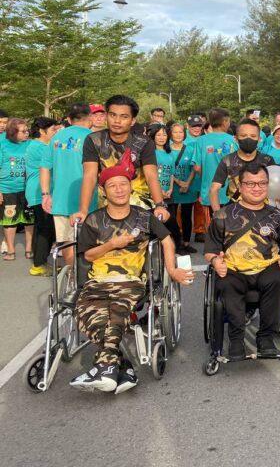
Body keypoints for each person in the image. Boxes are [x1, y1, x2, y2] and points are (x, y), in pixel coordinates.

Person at [69, 150, 193, 393]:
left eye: (123, 184)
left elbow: (167, 241)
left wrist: (172, 270)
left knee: (117, 311)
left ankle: (106, 368)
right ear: (103, 191)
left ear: (131, 187)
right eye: (112, 186)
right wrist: (112, 244)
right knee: (88, 315)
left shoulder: (144, 217)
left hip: (131, 281)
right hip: (98, 281)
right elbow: (88, 256)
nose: (119, 190)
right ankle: (121, 368)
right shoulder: (94, 220)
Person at [204, 162, 280, 360]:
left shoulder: (279, 217)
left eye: (262, 183)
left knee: (278, 279)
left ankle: (266, 338)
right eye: (250, 184)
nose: (257, 188)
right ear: (240, 186)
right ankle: (236, 340)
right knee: (227, 283)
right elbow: (210, 250)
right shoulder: (222, 216)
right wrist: (215, 261)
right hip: (234, 268)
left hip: (267, 266)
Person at [75, 95, 170, 226]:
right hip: (107, 207)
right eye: (113, 115)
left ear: (132, 120)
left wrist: (160, 205)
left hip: (141, 207)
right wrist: (83, 210)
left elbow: (151, 175)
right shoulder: (93, 140)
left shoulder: (144, 142)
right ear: (107, 116)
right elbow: (89, 176)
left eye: (124, 117)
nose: (117, 121)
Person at [41, 103, 94, 266]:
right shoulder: (94, 137)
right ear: (90, 117)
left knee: (66, 241)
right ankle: (85, 275)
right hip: (89, 200)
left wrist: (45, 194)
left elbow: (45, 167)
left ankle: (71, 273)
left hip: (61, 199)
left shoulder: (56, 138)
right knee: (89, 242)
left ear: (69, 120)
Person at [209, 118, 275, 212]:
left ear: (259, 139)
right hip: (235, 213)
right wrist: (218, 215)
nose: (248, 139)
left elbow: (278, 188)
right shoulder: (227, 161)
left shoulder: (267, 160)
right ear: (236, 138)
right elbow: (213, 190)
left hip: (262, 213)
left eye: (253, 136)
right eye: (243, 135)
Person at [25, 117, 58, 275]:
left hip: (40, 192)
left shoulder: (40, 145)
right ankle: (38, 265)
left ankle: (40, 262)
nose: (55, 132)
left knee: (43, 229)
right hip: (40, 193)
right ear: (41, 131)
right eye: (53, 130)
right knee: (46, 229)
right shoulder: (39, 147)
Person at [192, 107, 238, 218]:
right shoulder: (233, 140)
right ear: (225, 122)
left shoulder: (201, 140)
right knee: (231, 223)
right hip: (231, 192)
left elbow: (197, 168)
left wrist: (208, 174)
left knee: (214, 223)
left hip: (210, 192)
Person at [0, 118, 33, 260]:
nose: (27, 133)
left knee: (29, 219)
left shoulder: (30, 144)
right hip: (8, 189)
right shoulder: (2, 144)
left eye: (27, 130)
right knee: (9, 221)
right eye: (23, 131)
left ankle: (29, 249)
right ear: (13, 132)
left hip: (27, 189)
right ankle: (11, 251)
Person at [147, 124, 181, 248]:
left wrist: (170, 189)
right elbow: (150, 175)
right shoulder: (150, 153)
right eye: (158, 135)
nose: (162, 137)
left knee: (172, 222)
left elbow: (171, 173)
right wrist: (159, 191)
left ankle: (177, 246)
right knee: (157, 223)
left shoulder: (169, 153)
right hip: (155, 194)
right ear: (153, 136)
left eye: (164, 134)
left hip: (168, 194)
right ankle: (159, 248)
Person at [169, 122, 198, 254]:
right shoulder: (167, 150)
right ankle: (175, 243)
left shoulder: (190, 149)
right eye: (175, 132)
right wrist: (179, 182)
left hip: (188, 187)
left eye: (180, 132)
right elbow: (167, 169)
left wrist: (187, 183)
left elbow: (194, 168)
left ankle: (186, 243)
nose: (178, 135)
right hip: (172, 188)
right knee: (172, 217)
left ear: (184, 133)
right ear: (170, 134)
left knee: (187, 216)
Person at [185, 114, 206, 243]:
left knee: (200, 206)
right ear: (187, 126)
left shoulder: (204, 140)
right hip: (185, 179)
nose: (197, 128)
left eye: (199, 126)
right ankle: (180, 231)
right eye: (194, 126)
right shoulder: (181, 140)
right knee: (183, 209)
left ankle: (199, 230)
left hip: (200, 179)